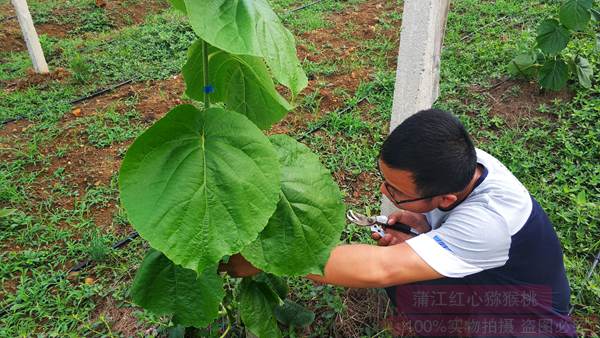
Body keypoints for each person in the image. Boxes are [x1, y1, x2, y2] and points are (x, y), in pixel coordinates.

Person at [223, 109, 575, 337]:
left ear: (447, 199)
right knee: (409, 289)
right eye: (384, 178)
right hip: (487, 280)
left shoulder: (488, 224)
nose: (383, 191)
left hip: (527, 316)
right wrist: (422, 218)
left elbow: (380, 269)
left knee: (400, 279)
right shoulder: (462, 162)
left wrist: (269, 257)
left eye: (396, 191)